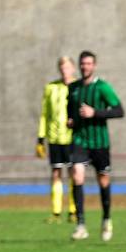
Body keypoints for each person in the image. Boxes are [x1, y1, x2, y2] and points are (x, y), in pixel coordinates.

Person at [66, 51, 124, 241]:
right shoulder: (73, 87)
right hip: (80, 140)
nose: (85, 67)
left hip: (100, 143)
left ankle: (106, 219)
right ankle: (81, 224)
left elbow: (119, 110)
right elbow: (70, 109)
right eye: (82, 64)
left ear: (94, 65)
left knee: (103, 181)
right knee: (77, 173)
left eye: (89, 63)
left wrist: (95, 113)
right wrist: (71, 120)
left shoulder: (102, 87)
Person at [37, 56, 77, 223]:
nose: (64, 70)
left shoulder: (78, 87)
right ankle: (56, 212)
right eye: (61, 67)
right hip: (54, 137)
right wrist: (40, 138)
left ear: (73, 68)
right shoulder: (51, 88)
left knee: (74, 174)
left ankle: (74, 211)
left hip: (72, 138)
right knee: (56, 174)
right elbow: (45, 114)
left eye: (67, 66)